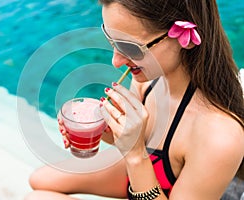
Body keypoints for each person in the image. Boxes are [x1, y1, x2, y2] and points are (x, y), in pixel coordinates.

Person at [25, 0, 244, 199]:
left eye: (130, 47)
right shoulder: (146, 80)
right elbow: (138, 141)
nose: (116, 61)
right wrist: (108, 132)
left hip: (150, 184)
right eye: (112, 41)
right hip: (142, 172)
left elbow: (137, 153)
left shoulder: (220, 137)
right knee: (40, 180)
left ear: (184, 38)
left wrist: (135, 155)